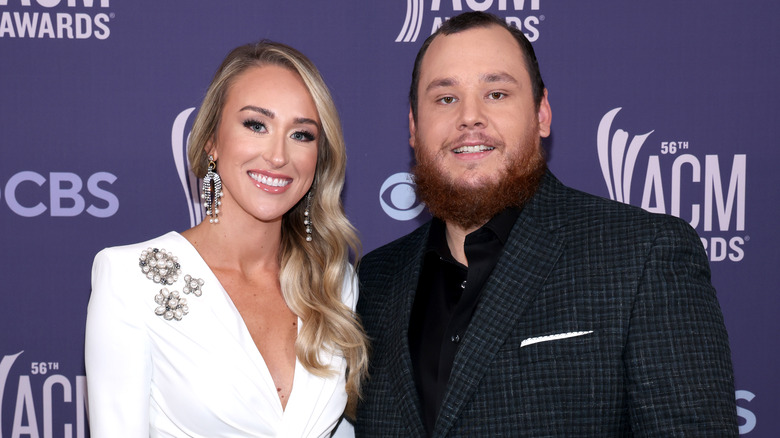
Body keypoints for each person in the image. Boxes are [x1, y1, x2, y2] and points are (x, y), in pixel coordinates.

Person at [355, 12, 737, 437]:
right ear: (413, 126)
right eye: (446, 98)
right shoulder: (375, 281)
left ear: (542, 114)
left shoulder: (642, 255)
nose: (470, 117)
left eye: (496, 93)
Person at [85, 41, 369, 437]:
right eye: (256, 125)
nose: (277, 155)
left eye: (302, 134)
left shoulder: (335, 284)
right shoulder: (131, 280)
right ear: (212, 142)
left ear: (319, 158)